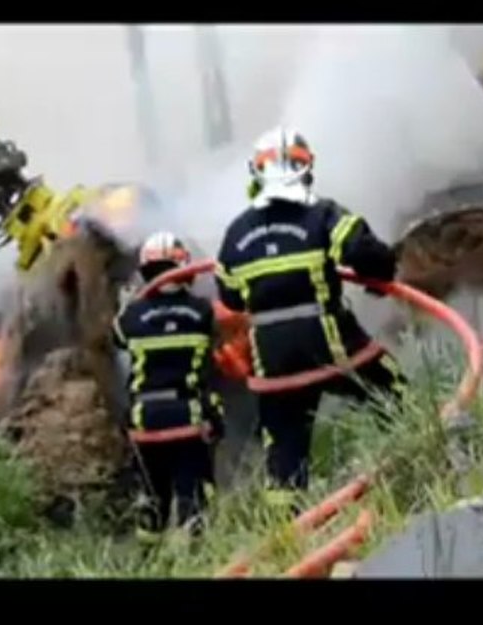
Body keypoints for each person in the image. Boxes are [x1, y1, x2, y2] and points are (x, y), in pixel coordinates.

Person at [215, 126, 406, 510]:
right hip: (328, 341)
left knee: (284, 446)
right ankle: (409, 473)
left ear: (256, 173)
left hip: (272, 359)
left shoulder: (235, 234)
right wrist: (384, 274)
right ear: (306, 170)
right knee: (394, 393)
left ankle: (290, 530)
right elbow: (365, 252)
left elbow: (229, 296)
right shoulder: (323, 214)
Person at [113, 231, 224, 539]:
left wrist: (131, 302)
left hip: (144, 422)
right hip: (187, 420)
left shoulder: (131, 316)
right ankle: (196, 560)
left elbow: (116, 338)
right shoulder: (202, 311)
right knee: (192, 494)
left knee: (151, 497)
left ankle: (149, 560)